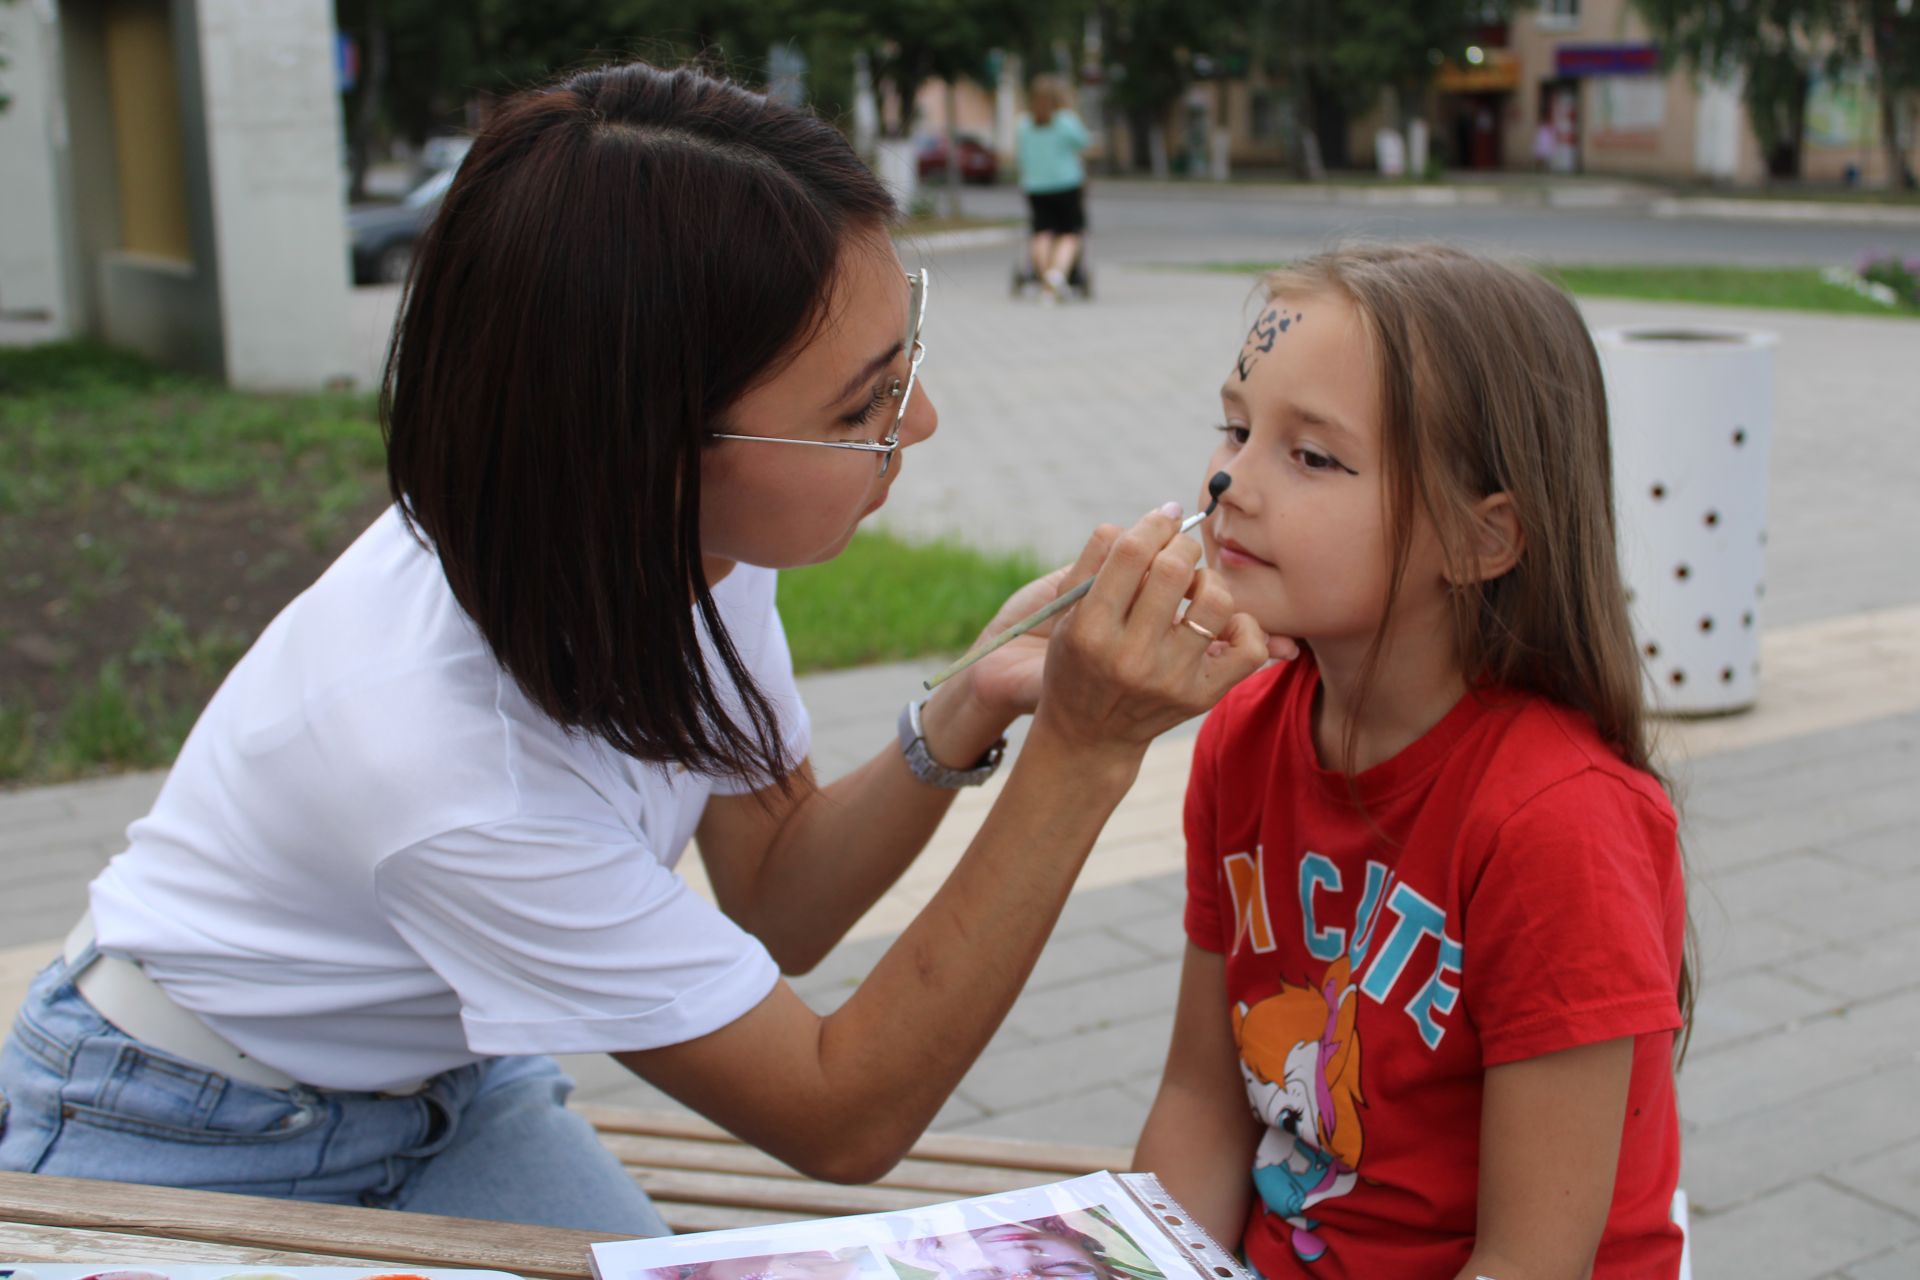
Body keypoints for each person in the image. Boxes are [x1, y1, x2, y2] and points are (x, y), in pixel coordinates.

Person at [0, 62, 1285, 1234]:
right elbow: (841, 1117)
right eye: (864, 406)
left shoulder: (668, 548)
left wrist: (973, 698)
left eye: (907, 364)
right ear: (651, 448)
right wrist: (1086, 749)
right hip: (175, 1123)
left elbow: (777, 892)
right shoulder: (444, 764)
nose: (925, 422)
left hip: (449, 1084)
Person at [1131, 244, 1692, 1278]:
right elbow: (1204, 1103)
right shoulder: (1241, 736)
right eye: (1239, 426)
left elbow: (1530, 1259)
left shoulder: (1556, 821)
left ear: (1483, 539)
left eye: (1312, 456)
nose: (1227, 479)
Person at [1015, 75, 1090, 304]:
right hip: (1067, 184)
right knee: (1070, 233)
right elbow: (1084, 143)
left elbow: (1022, 156)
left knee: (1042, 232)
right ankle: (1057, 275)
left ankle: (1045, 280)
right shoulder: (1065, 121)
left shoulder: (1025, 124)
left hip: (1035, 186)